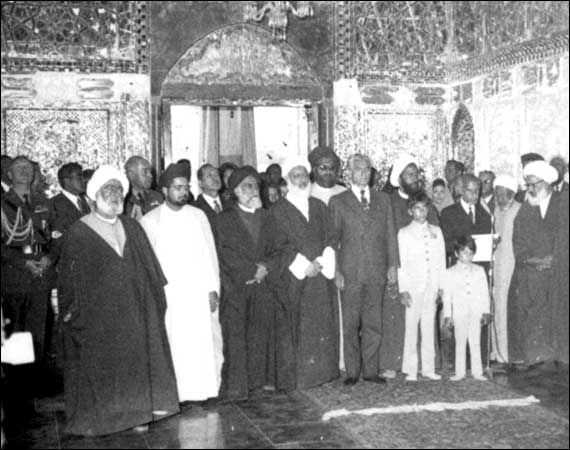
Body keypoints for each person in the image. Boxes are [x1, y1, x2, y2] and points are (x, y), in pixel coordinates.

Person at [57, 165, 179, 436]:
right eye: (107, 189)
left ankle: (138, 415)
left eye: (118, 189)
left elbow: (151, 272)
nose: (114, 194)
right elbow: (70, 283)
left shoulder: (133, 227)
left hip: (135, 311)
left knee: (135, 364)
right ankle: (107, 419)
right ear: (94, 195)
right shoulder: (78, 232)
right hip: (99, 316)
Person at [141, 163, 223, 403]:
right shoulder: (150, 221)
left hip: (198, 293)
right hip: (171, 296)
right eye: (177, 188)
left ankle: (204, 391)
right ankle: (177, 394)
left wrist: (212, 289)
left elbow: (209, 255)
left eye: (185, 187)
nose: (183, 192)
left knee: (202, 342)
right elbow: (148, 264)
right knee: (175, 343)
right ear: (165, 191)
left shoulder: (198, 216)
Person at [329, 154, 399, 385]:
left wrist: (392, 265)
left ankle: (370, 370)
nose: (363, 173)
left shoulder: (383, 200)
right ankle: (352, 371)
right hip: (350, 272)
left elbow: (390, 235)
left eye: (367, 169)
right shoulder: (338, 201)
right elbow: (333, 241)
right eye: (358, 169)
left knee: (373, 323)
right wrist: (336, 270)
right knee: (350, 324)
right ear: (348, 173)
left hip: (377, 271)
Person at [271, 156, 339, 389]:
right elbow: (278, 246)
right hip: (295, 280)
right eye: (296, 175)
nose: (301, 180)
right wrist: (303, 265)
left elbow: (331, 238)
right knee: (299, 327)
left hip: (320, 277)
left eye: (303, 175)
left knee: (322, 323)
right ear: (288, 180)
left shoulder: (319, 206)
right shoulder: (278, 210)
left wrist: (322, 261)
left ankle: (324, 374)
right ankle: (303, 378)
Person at [216, 166, 281, 400]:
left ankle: (261, 381)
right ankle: (238, 387)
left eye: (255, 186)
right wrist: (252, 270)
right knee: (238, 337)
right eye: (247, 186)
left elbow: (280, 248)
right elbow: (224, 253)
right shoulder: (223, 219)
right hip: (237, 287)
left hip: (264, 285)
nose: (253, 191)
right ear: (235, 191)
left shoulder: (268, 217)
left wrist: (266, 267)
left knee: (262, 335)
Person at [381, 153, 439, 377]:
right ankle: (393, 363)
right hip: (398, 268)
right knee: (396, 317)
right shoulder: (388, 202)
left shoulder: (425, 203)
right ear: (399, 178)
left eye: (416, 174)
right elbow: (385, 237)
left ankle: (426, 364)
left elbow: (435, 236)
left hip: (424, 271)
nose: (414, 178)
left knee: (425, 318)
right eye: (409, 175)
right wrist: (392, 267)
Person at [508, 160, 561, 366]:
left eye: (533, 184)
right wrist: (535, 261)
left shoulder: (563, 204)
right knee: (533, 323)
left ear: (546, 183)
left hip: (560, 276)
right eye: (527, 184)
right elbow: (518, 242)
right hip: (532, 277)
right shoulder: (525, 210)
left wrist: (556, 260)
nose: (529, 189)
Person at [398, 192, 446, 381]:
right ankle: (411, 369)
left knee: (428, 327)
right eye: (417, 208)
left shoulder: (436, 231)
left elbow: (441, 260)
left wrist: (441, 286)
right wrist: (403, 289)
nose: (421, 212)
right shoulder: (404, 233)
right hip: (413, 287)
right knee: (411, 328)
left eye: (424, 208)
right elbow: (402, 264)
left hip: (431, 286)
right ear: (410, 211)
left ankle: (428, 368)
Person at [442, 236, 491, 381]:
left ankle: (477, 372)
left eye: (471, 253)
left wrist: (486, 311)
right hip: (459, 313)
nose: (468, 256)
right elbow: (447, 296)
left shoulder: (479, 270)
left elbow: (484, 293)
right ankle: (460, 372)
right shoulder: (450, 272)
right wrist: (448, 315)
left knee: (475, 342)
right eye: (464, 253)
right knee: (460, 342)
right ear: (457, 253)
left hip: (476, 312)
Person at [490, 175, 521, 365]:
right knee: (496, 308)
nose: (500, 198)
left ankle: (507, 354)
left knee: (507, 310)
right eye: (497, 194)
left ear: (512, 194)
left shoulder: (519, 210)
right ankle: (496, 352)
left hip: (512, 266)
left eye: (503, 194)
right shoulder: (495, 210)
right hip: (497, 266)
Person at [49, 163, 91, 264]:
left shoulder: (83, 201)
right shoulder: (55, 204)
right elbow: (58, 240)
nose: (83, 180)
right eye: (79, 177)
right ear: (67, 180)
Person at [123, 156, 163, 220]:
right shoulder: (123, 200)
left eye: (150, 172)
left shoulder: (158, 197)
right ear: (131, 175)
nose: (150, 176)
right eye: (145, 172)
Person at [193, 163, 227, 237]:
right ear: (200, 183)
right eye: (209, 175)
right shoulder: (194, 208)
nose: (215, 178)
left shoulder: (230, 204)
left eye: (216, 175)